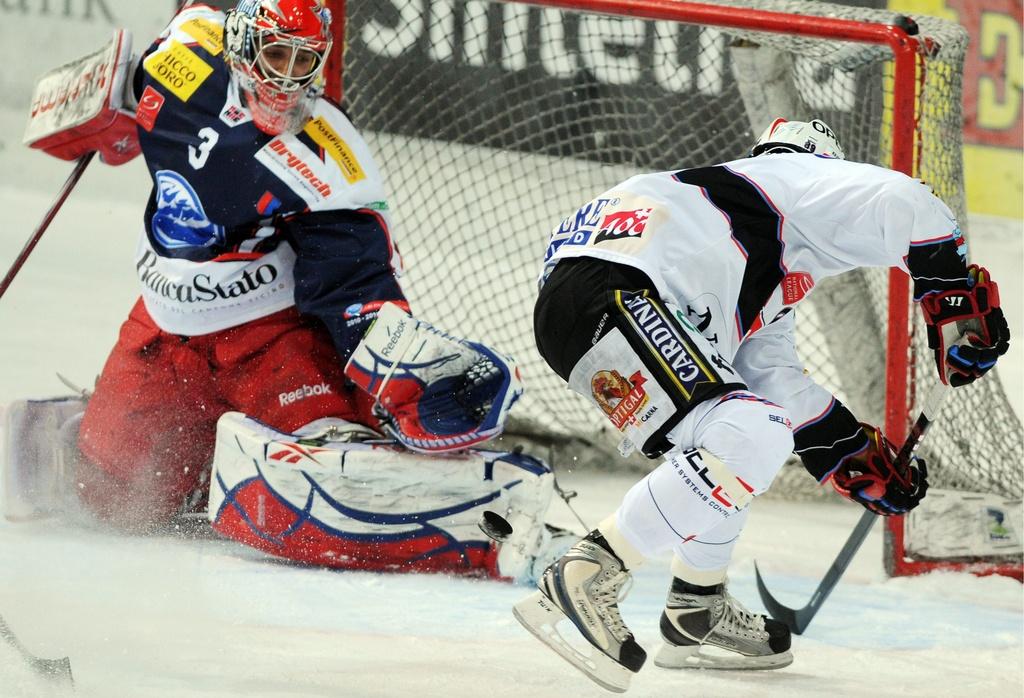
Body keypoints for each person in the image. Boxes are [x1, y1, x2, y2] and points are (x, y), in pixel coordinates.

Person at [11, 0, 564, 583]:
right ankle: (190, 455)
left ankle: (489, 529)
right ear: (242, 46)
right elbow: (135, 76)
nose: (287, 77)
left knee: (318, 500)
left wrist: (410, 369)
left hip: (272, 337)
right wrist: (106, 110)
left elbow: (353, 285)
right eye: (276, 54)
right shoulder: (187, 52)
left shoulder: (329, 155)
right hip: (165, 326)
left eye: (305, 61)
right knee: (109, 498)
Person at [513, 118, 1010, 691]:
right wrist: (952, 300)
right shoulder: (792, 179)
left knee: (734, 436)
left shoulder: (742, 237)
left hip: (583, 316)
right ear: (821, 164)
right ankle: (591, 568)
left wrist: (850, 454)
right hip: (618, 293)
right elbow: (909, 200)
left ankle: (694, 609)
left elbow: (771, 378)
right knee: (753, 436)